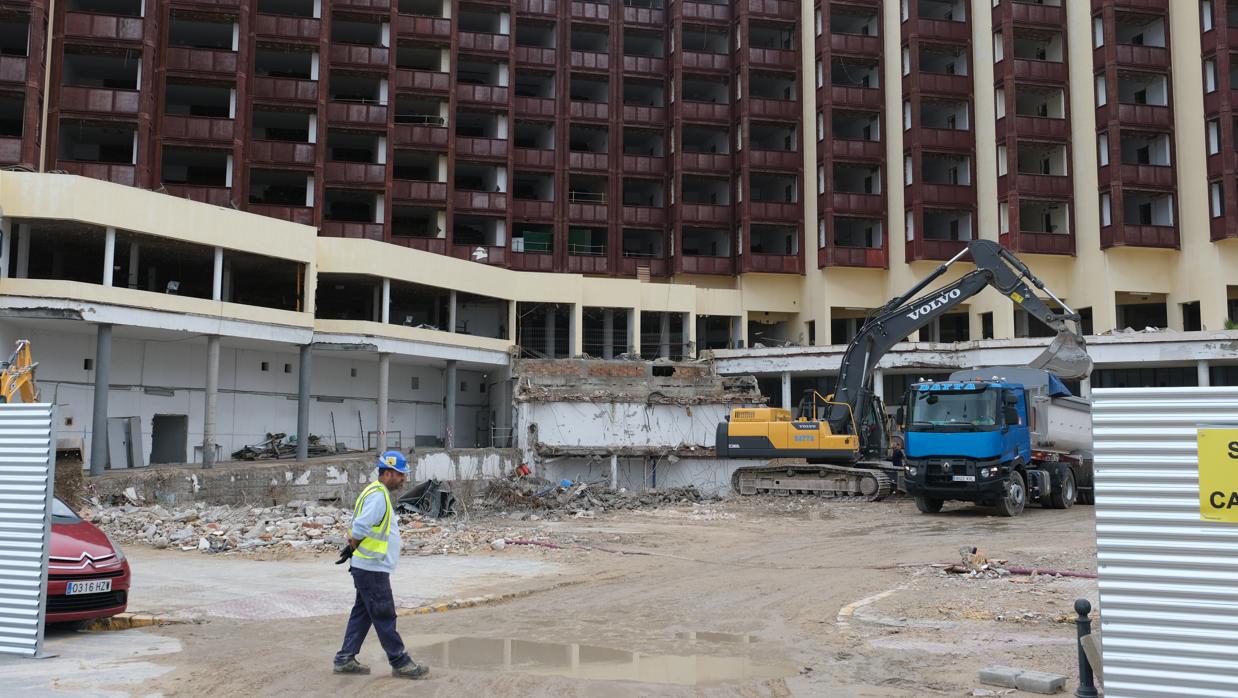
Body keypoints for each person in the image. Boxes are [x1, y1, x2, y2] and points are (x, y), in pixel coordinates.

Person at [333, 451, 430, 679]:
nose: (404, 479)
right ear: (387, 473)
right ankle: (400, 662)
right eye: (400, 474)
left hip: (368, 566)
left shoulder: (375, 492)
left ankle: (345, 658)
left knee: (363, 613)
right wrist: (354, 544)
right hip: (372, 568)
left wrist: (354, 547)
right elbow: (360, 527)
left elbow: (365, 528)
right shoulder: (378, 496)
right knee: (384, 614)